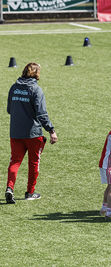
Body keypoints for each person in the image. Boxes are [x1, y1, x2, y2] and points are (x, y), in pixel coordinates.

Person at [5, 62, 58, 204]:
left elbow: (9, 110)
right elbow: (42, 114)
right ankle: (30, 192)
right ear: (36, 74)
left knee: (15, 161)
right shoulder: (36, 90)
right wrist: (51, 130)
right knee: (33, 163)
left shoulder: (14, 87)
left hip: (15, 132)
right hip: (33, 134)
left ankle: (10, 188)